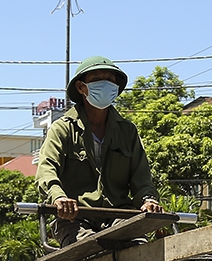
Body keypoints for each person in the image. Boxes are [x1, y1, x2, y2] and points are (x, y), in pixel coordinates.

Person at [36, 55, 162, 247]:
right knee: (89, 251)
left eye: (110, 81)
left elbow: (141, 177)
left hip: (120, 216)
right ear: (81, 87)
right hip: (75, 218)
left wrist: (148, 200)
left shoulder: (127, 131)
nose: (105, 85)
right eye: (96, 80)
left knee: (140, 252)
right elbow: (46, 169)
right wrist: (59, 197)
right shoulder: (62, 128)